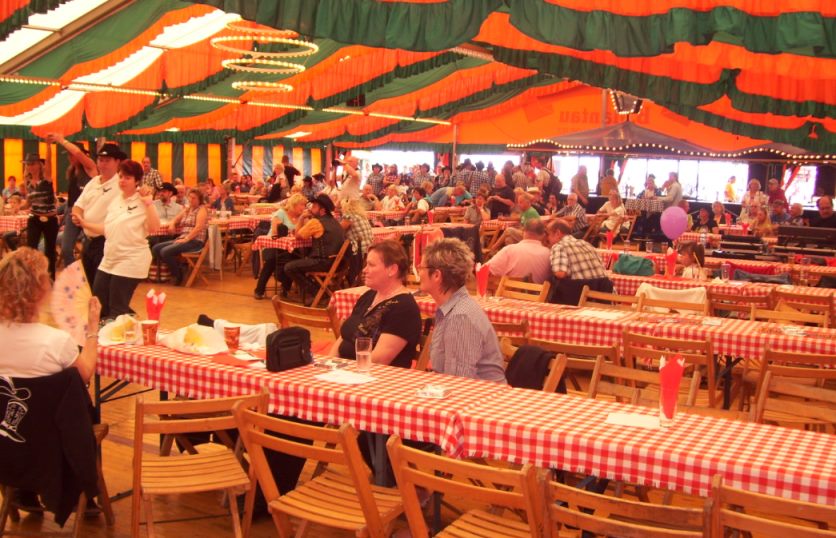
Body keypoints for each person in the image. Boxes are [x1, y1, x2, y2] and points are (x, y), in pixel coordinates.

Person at [0, 247, 100, 383]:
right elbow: (85, 375)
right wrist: (93, 328)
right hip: (48, 398)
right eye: (47, 275)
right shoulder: (57, 342)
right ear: (41, 288)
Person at [74, 160, 160, 318]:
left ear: (137, 181)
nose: (122, 180)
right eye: (120, 176)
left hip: (131, 260)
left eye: (127, 177)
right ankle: (113, 329)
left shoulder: (143, 200)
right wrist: (85, 224)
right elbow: (108, 229)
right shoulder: (116, 201)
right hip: (109, 258)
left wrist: (148, 203)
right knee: (99, 304)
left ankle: (121, 330)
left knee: (117, 309)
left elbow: (154, 227)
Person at [419, 238, 506, 383]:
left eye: (421, 268)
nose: (419, 272)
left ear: (436, 275)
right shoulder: (452, 308)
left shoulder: (460, 317)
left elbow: (458, 382)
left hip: (479, 395)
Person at [330, 240, 422, 368]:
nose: (364, 270)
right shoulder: (369, 296)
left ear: (392, 270)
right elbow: (344, 337)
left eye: (371, 265)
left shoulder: (404, 308)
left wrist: (341, 370)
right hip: (346, 370)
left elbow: (378, 361)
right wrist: (331, 365)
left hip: (376, 375)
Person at [73, 142, 125, 285]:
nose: (103, 164)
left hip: (106, 242)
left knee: (101, 286)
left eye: (107, 161)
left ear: (117, 162)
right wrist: (77, 216)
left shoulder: (121, 185)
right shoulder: (93, 182)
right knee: (89, 285)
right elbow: (78, 205)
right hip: (88, 241)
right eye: (100, 160)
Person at [284, 194, 345, 306]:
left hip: (323, 262)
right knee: (301, 262)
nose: (311, 209)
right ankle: (319, 293)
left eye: (314, 207)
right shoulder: (335, 221)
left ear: (322, 210)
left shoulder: (316, 222)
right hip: (339, 264)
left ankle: (318, 293)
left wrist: (301, 218)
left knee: (289, 267)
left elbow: (298, 235)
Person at [48, 135, 97, 268]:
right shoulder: (72, 171)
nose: (69, 157)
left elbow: (78, 152)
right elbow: (72, 198)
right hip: (72, 212)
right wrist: (62, 211)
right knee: (66, 248)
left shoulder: (90, 167)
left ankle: (88, 273)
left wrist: (61, 140)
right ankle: (74, 274)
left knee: (89, 248)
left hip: (88, 212)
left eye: (71, 154)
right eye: (68, 155)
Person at [253, 193, 308, 299]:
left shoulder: (301, 218)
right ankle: (259, 289)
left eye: (304, 205)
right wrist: (283, 229)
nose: (303, 207)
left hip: (291, 249)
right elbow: (275, 233)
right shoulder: (281, 213)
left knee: (295, 259)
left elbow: (303, 233)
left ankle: (285, 288)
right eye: (301, 205)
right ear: (294, 204)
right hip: (273, 245)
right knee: (272, 259)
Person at [151, 188, 208, 286]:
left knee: (165, 251)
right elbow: (175, 219)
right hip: (183, 238)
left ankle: (177, 275)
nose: (191, 200)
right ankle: (177, 267)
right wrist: (172, 224)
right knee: (156, 248)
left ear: (200, 200)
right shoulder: (187, 209)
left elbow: (199, 227)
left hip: (195, 241)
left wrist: (186, 239)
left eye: (194, 198)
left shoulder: (202, 210)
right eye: (190, 197)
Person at [20, 153, 58, 279]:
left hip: (50, 218)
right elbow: (28, 202)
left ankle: (51, 279)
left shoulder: (47, 178)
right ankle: (31, 278)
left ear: (39, 165)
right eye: (28, 164)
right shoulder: (27, 182)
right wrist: (19, 207)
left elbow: (49, 162)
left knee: (50, 250)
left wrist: (48, 146)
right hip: (34, 218)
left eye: (32, 164)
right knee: (31, 249)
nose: (30, 167)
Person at [487, 219, 551, 284]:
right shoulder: (549, 254)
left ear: (523, 231)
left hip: (510, 289)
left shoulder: (510, 250)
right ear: (543, 235)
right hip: (539, 290)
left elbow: (485, 270)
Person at [340, 197, 375, 285]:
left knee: (338, 254)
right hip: (368, 249)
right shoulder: (362, 216)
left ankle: (340, 278)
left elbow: (338, 231)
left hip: (358, 251)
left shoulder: (349, 216)